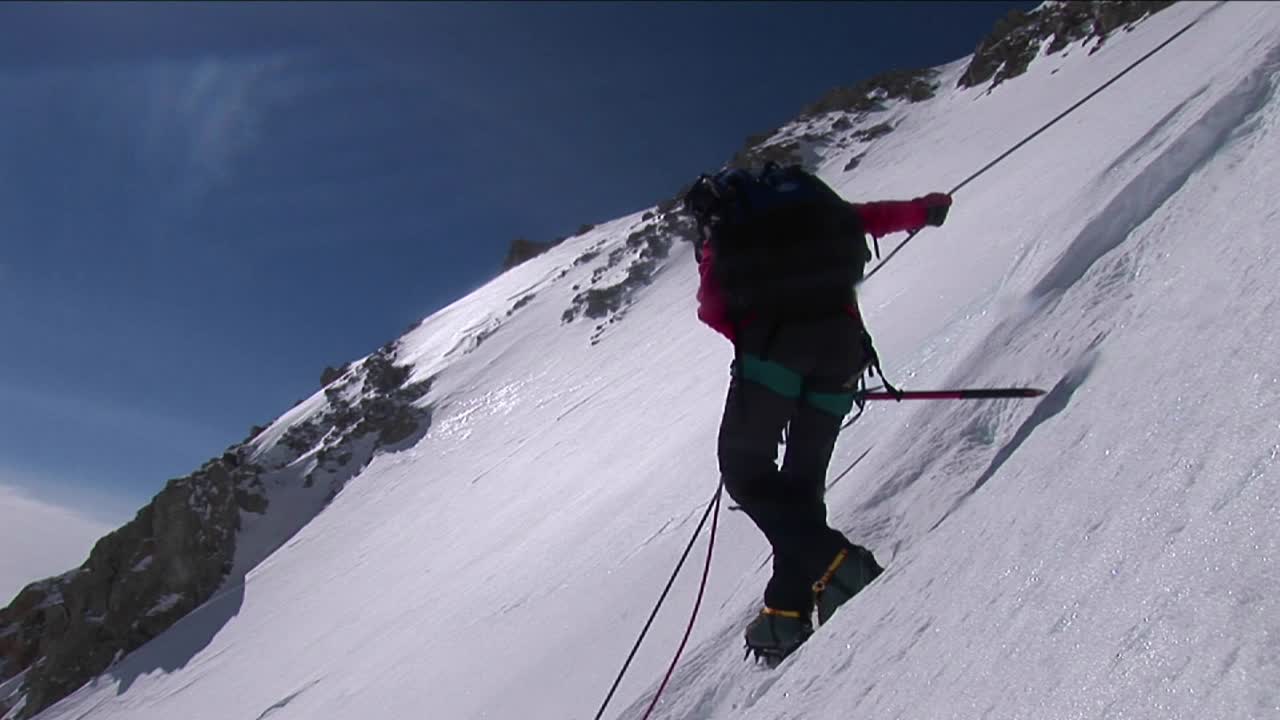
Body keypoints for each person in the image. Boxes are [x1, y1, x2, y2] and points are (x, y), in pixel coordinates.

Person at [684, 166, 952, 664]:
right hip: (843, 354)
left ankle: (841, 566)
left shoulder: (728, 229)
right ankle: (784, 614)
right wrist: (926, 210)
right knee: (801, 486)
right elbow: (867, 218)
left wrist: (760, 344)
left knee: (745, 470)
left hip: (774, 354)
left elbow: (712, 306)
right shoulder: (810, 208)